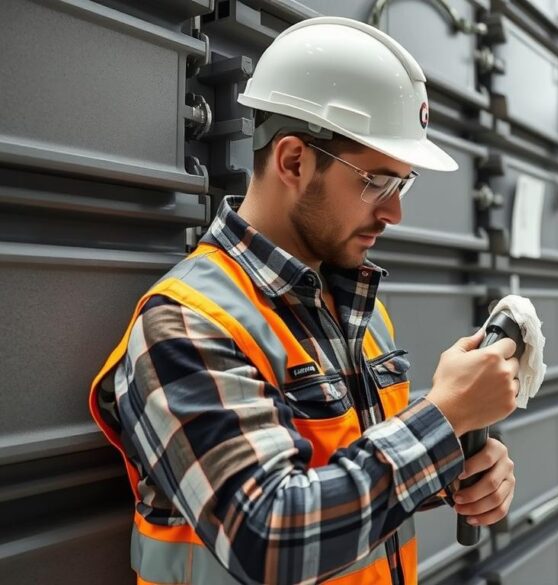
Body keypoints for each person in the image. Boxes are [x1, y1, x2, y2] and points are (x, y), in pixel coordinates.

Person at [88, 17, 520, 585]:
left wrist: (456, 473)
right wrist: (443, 417)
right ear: (293, 160)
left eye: (402, 184)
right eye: (376, 182)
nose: (394, 214)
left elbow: (348, 478)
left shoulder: (360, 314)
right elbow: (268, 538)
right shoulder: (185, 322)